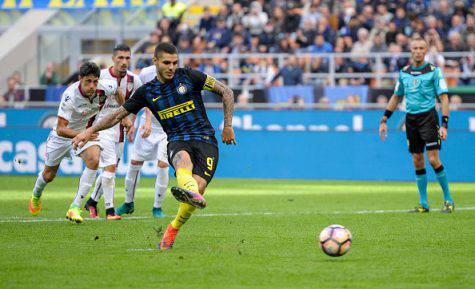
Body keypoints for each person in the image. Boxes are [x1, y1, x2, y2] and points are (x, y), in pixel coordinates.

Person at [72, 43, 236, 249]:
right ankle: (189, 190)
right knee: (183, 163)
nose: (171, 67)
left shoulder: (190, 76)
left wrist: (228, 125)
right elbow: (117, 115)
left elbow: (226, 91)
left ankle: (174, 226)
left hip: (206, 140)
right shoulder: (147, 92)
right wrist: (88, 131)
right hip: (177, 140)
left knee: (198, 188)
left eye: (175, 63)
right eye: (166, 63)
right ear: (155, 62)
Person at [28, 62, 131, 223]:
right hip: (62, 138)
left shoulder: (105, 86)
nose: (92, 86)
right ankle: (36, 195)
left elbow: (117, 91)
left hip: (85, 134)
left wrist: (124, 115)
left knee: (94, 159)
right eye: (88, 81)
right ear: (79, 79)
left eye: (95, 81)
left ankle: (74, 207)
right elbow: (61, 128)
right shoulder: (70, 96)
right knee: (49, 175)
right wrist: (83, 134)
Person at [379, 38, 454, 214]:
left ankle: (448, 200)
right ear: (410, 50)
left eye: (421, 48)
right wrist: (384, 119)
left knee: (433, 159)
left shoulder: (434, 71)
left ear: (426, 50)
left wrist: (444, 124)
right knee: (417, 160)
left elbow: (444, 98)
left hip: (429, 118)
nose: (418, 51)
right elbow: (396, 97)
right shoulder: (404, 72)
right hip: (410, 119)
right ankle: (424, 203)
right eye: (415, 48)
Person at [82, 44, 142, 220]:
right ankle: (109, 210)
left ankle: (92, 201)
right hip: (102, 128)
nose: (124, 62)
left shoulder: (134, 80)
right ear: (113, 59)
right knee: (110, 168)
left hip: (120, 130)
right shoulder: (100, 76)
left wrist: (132, 123)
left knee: (111, 168)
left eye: (127, 58)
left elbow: (138, 103)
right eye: (120, 58)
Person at [113, 64, 170, 218]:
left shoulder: (175, 75)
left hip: (166, 128)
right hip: (147, 125)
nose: (170, 65)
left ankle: (157, 207)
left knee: (163, 164)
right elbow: (141, 100)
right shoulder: (146, 73)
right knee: (135, 163)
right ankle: (128, 203)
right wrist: (133, 123)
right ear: (156, 59)